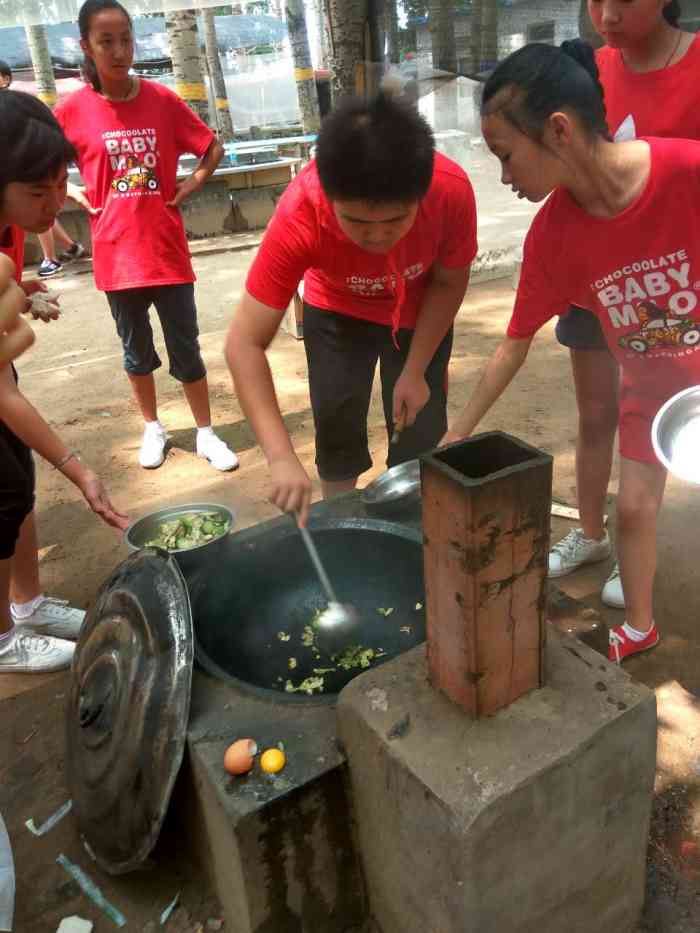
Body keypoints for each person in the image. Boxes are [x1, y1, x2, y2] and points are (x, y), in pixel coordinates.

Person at [444, 39, 700, 664]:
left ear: (558, 131)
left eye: (507, 157)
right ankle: (639, 627)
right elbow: (512, 344)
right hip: (657, 395)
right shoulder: (553, 237)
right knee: (634, 510)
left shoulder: (685, 173)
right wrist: (457, 433)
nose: (505, 179)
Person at [225, 90, 477, 526]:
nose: (378, 239)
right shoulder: (302, 211)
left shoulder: (450, 193)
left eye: (396, 220)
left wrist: (415, 369)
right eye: (357, 222)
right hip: (337, 311)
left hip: (419, 312)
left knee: (418, 431)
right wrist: (281, 457)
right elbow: (243, 343)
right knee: (337, 424)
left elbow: (450, 281)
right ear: (329, 194)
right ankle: (343, 526)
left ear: (422, 193)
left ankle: (411, 530)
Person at [548, 0, 700, 610]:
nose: (606, 14)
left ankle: (638, 541)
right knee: (596, 410)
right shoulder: (585, 71)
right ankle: (589, 533)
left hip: (672, 282)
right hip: (595, 272)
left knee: (660, 409)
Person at [55, 0, 238, 472]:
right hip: (116, 257)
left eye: (126, 39)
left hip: (166, 252)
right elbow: (43, 160)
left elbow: (211, 147)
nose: (119, 51)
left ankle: (205, 432)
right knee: (136, 352)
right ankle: (153, 428)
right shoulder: (73, 110)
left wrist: (192, 182)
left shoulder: (162, 100)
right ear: (86, 47)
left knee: (187, 347)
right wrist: (73, 193)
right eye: (106, 41)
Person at [0, 90, 128, 674]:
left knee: (15, 482)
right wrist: (79, 468)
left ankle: (26, 605)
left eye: (59, 183)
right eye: (37, 192)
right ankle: (3, 639)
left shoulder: (10, 227)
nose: (57, 205)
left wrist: (25, 294)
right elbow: (1, 391)